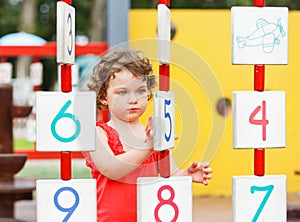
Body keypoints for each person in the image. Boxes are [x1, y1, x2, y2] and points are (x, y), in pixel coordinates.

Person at [85, 48, 212, 221]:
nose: (133, 99)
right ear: (103, 97)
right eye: (122, 92)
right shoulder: (97, 133)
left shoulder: (152, 134)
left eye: (140, 91)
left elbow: (170, 174)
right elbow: (111, 169)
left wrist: (186, 175)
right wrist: (148, 147)